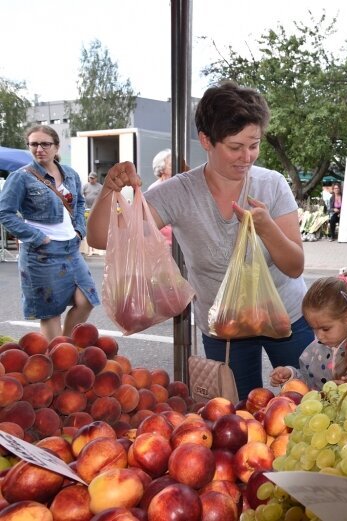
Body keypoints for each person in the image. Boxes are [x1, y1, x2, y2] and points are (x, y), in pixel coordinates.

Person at [87, 81, 314, 400]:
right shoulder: (178, 192)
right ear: (206, 140)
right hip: (224, 328)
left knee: (307, 399)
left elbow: (294, 266)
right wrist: (110, 189)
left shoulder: (272, 184)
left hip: (286, 316)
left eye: (254, 145)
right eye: (235, 147)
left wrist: (266, 228)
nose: (246, 157)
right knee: (235, 415)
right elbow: (102, 239)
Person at [0, 125, 99, 340]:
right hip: (40, 253)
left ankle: (65, 347)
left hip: (71, 248)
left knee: (87, 300)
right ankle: (59, 360)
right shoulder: (20, 177)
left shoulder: (71, 174)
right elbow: (4, 213)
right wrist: (37, 237)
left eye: (45, 144)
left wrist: (79, 231)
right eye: (34, 144)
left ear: (56, 147)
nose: (39, 149)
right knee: (50, 313)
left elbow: (80, 203)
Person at [269, 272, 347, 390]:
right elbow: (307, 381)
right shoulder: (313, 351)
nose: (319, 336)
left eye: (325, 329)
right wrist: (291, 374)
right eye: (313, 328)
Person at [147, 149, 173, 247]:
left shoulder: (178, 185)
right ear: (161, 169)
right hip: (163, 243)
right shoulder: (155, 189)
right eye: (171, 165)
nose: (176, 166)